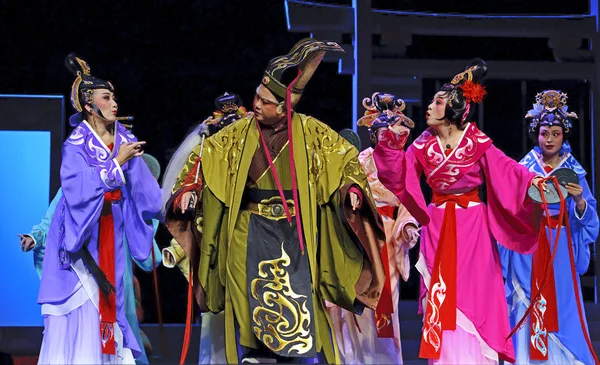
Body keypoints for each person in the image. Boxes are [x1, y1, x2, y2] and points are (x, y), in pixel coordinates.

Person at [183, 38, 386, 364]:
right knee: (250, 306)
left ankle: (298, 358)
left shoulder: (312, 132)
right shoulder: (237, 134)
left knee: (298, 304)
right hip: (248, 230)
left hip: (295, 232)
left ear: (285, 107)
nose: (256, 104)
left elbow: (345, 160)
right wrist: (190, 189)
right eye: (257, 98)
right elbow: (205, 157)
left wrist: (351, 188)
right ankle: (252, 354)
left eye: (265, 101)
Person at [373, 59, 545, 364]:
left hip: (473, 226)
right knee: (443, 298)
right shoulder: (423, 145)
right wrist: (390, 145)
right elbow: (399, 174)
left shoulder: (477, 142)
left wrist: (535, 184)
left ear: (452, 110)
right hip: (438, 224)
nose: (429, 107)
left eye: (437, 102)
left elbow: (508, 172)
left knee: (476, 295)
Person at [36, 53, 162, 364]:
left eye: (114, 96)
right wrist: (116, 162)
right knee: (84, 307)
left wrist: (170, 204)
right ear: (90, 106)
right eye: (107, 97)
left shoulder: (125, 138)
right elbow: (75, 191)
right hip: (84, 238)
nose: (114, 103)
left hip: (114, 233)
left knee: (113, 304)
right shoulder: (76, 144)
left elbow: (147, 195)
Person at [19, 154, 163, 365]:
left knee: (119, 343)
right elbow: (50, 221)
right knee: (81, 339)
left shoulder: (125, 200)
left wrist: (146, 216)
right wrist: (35, 237)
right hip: (82, 275)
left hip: (115, 280)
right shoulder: (74, 187)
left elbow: (148, 258)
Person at [498, 90, 599, 365]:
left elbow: (591, 223)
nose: (550, 139)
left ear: (564, 135)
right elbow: (509, 209)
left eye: (556, 133)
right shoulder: (523, 169)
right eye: (545, 133)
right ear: (536, 134)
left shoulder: (575, 171)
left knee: (563, 306)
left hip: (560, 249)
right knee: (526, 303)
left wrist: (579, 201)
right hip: (529, 248)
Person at [327, 92, 420, 364]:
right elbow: (344, 187)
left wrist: (408, 226)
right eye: (381, 133)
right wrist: (351, 194)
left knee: (384, 303)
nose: (387, 138)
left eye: (392, 131)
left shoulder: (405, 162)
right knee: (359, 301)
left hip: (389, 237)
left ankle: (383, 359)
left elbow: (410, 202)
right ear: (373, 135)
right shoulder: (359, 160)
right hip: (362, 233)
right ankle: (357, 358)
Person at [161, 92, 251, 364]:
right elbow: (186, 182)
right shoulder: (206, 151)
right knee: (217, 301)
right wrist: (188, 194)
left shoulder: (256, 150)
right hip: (215, 234)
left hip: (252, 230)